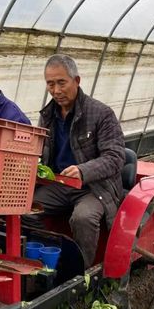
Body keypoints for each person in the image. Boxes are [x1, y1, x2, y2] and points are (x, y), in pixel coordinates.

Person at [27, 54, 125, 268]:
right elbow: (41, 150)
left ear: (76, 81)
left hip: (94, 187)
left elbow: (116, 157)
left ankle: (82, 274)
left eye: (61, 82)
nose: (56, 90)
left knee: (83, 218)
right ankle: (47, 260)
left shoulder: (101, 114)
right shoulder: (48, 115)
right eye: (50, 84)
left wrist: (83, 170)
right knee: (25, 210)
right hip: (60, 185)